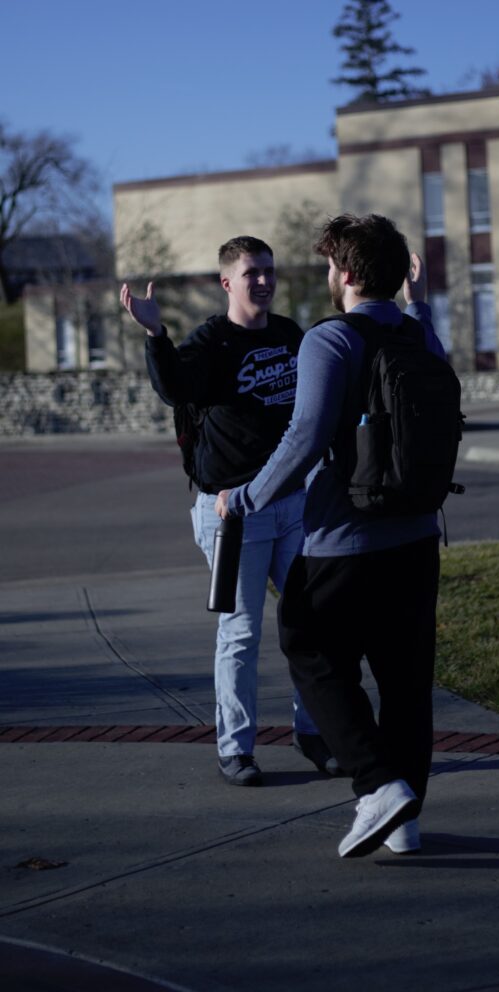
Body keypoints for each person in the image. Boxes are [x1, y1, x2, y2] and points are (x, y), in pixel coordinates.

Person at [215, 214, 446, 857]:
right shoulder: (421, 334)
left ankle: (376, 788)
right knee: (405, 682)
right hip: (419, 535)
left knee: (308, 644)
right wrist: (417, 300)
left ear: (344, 275)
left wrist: (248, 498)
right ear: (396, 275)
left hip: (344, 539)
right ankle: (405, 824)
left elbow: (306, 435)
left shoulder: (330, 339)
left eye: (327, 267)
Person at [120, 235, 338, 787]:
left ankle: (314, 733)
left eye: (268, 271)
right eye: (251, 273)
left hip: (292, 504)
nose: (263, 281)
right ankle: (236, 748)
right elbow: (173, 386)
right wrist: (155, 333)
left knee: (309, 624)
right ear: (227, 283)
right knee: (241, 634)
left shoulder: (291, 334)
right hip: (231, 513)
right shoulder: (211, 343)